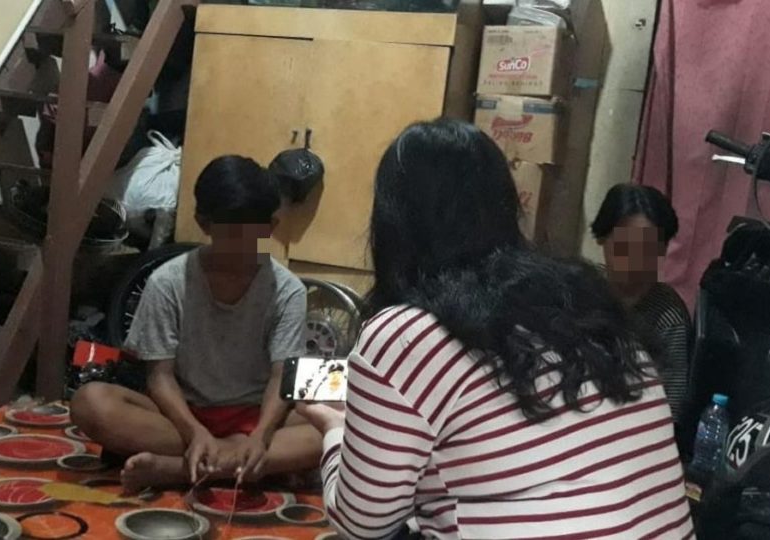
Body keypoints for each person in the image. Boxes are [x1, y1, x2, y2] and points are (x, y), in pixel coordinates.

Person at [297, 120, 693, 539]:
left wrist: (334, 430)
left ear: (393, 223)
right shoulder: (587, 299)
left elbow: (361, 524)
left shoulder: (405, 335)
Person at [71, 156, 321, 491]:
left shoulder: (287, 289)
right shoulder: (168, 282)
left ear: (271, 228)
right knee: (90, 403)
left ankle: (179, 469)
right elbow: (159, 377)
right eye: (230, 235)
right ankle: (240, 462)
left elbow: (282, 376)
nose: (241, 248)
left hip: (255, 415)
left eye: (253, 235)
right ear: (204, 224)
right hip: (180, 419)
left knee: (347, 418)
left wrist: (261, 435)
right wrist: (195, 431)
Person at [591, 184, 692, 420]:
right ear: (601, 239)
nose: (633, 261)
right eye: (624, 248)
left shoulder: (668, 315)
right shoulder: (582, 292)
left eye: (646, 250)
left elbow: (671, 408)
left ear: (663, 250)